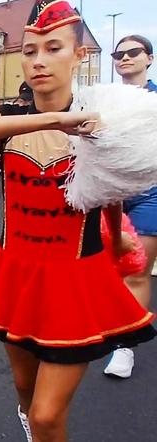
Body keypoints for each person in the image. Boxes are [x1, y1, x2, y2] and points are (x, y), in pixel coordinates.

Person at [0, 3, 156, 440]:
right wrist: (57, 120)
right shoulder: (4, 119)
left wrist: (116, 240)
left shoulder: (102, 121)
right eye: (30, 50)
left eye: (53, 48)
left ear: (77, 55)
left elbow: (107, 191)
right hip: (15, 273)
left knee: (45, 413)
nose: (38, 60)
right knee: (24, 390)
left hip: (74, 278)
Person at [103, 34, 157, 379]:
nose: (124, 58)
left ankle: (124, 347)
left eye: (132, 53)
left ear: (149, 58)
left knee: (136, 269)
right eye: (118, 54)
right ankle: (114, 325)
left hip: (150, 193)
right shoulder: (105, 101)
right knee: (112, 271)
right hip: (111, 194)